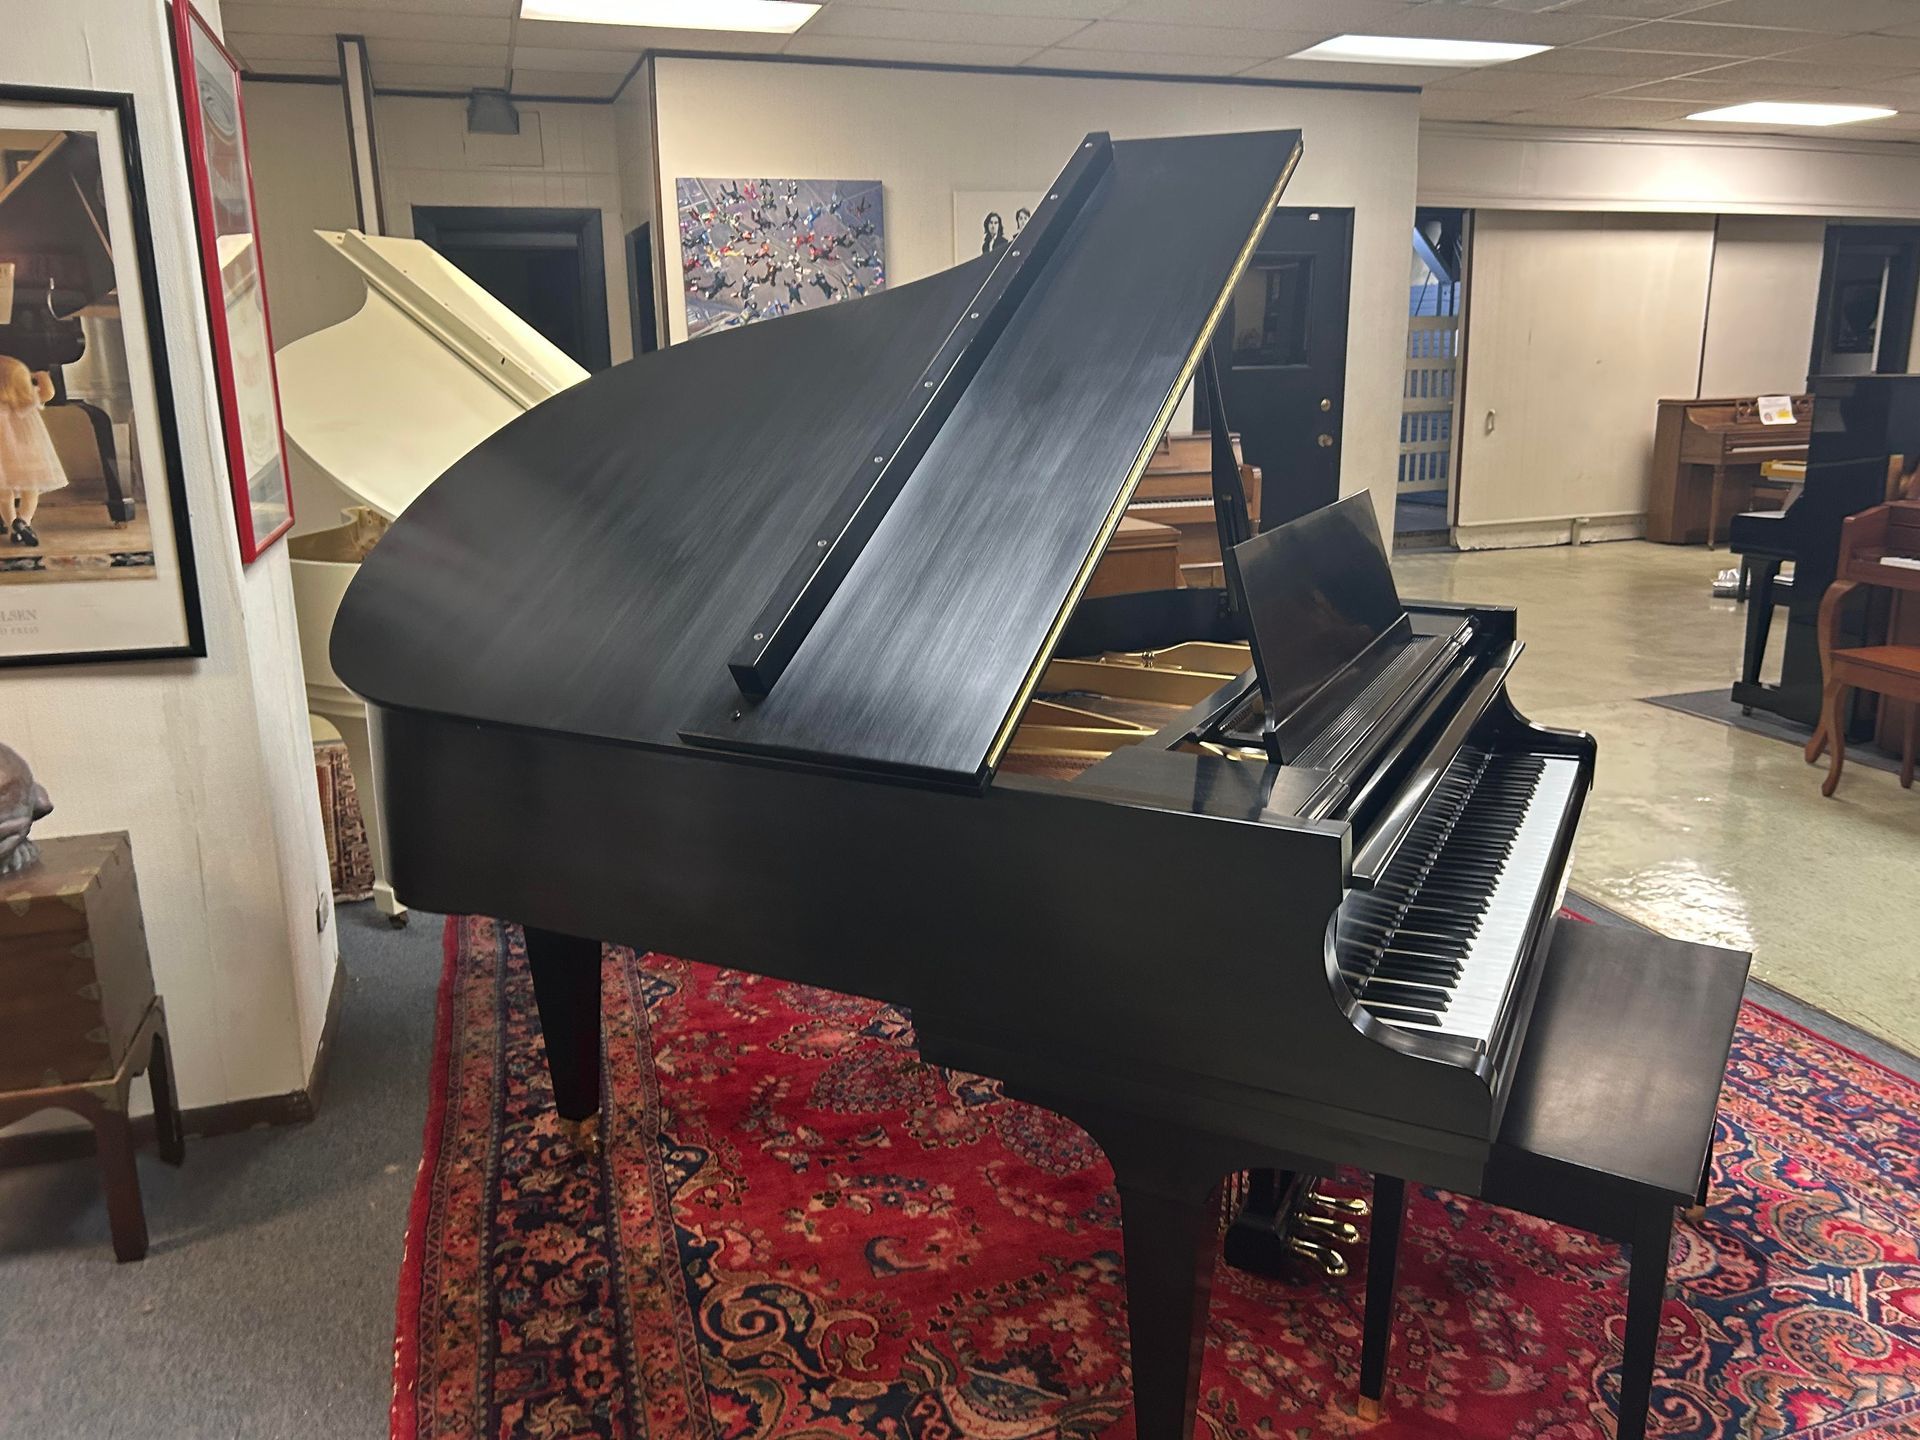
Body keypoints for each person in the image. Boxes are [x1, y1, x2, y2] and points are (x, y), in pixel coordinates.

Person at [0, 354, 67, 547]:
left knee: (4, 494)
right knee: (31, 489)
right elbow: (49, 393)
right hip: (27, 453)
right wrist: (42, 375)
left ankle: (12, 525)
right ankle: (24, 521)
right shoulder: (26, 400)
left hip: (3, 459)